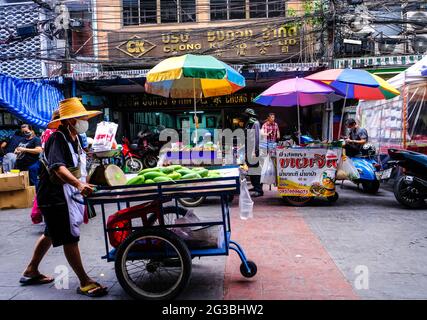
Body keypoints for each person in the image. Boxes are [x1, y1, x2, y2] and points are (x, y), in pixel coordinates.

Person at [20, 97, 108, 298]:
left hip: (65, 192)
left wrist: (84, 182)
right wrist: (78, 184)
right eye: (81, 117)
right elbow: (57, 167)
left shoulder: (74, 136)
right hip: (55, 195)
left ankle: (31, 270)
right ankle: (85, 281)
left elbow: (75, 166)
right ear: (70, 120)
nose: (85, 120)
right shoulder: (57, 138)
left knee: (51, 232)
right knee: (69, 237)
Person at [244, 108, 263, 197]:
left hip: (254, 150)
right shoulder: (248, 124)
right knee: (251, 169)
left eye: (247, 115)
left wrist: (255, 151)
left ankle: (259, 190)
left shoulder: (255, 123)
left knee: (255, 169)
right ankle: (255, 186)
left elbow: (257, 138)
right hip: (249, 149)